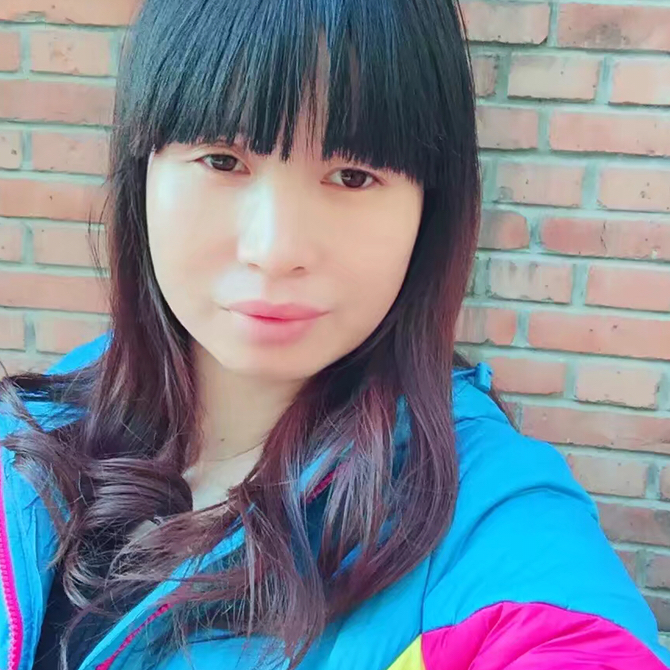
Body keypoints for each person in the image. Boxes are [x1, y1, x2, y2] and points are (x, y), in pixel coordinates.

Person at [0, 0, 668, 668]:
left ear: (429, 212)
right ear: (143, 169)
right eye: (222, 160)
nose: (275, 250)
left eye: (352, 176)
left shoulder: (480, 509)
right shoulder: (44, 425)